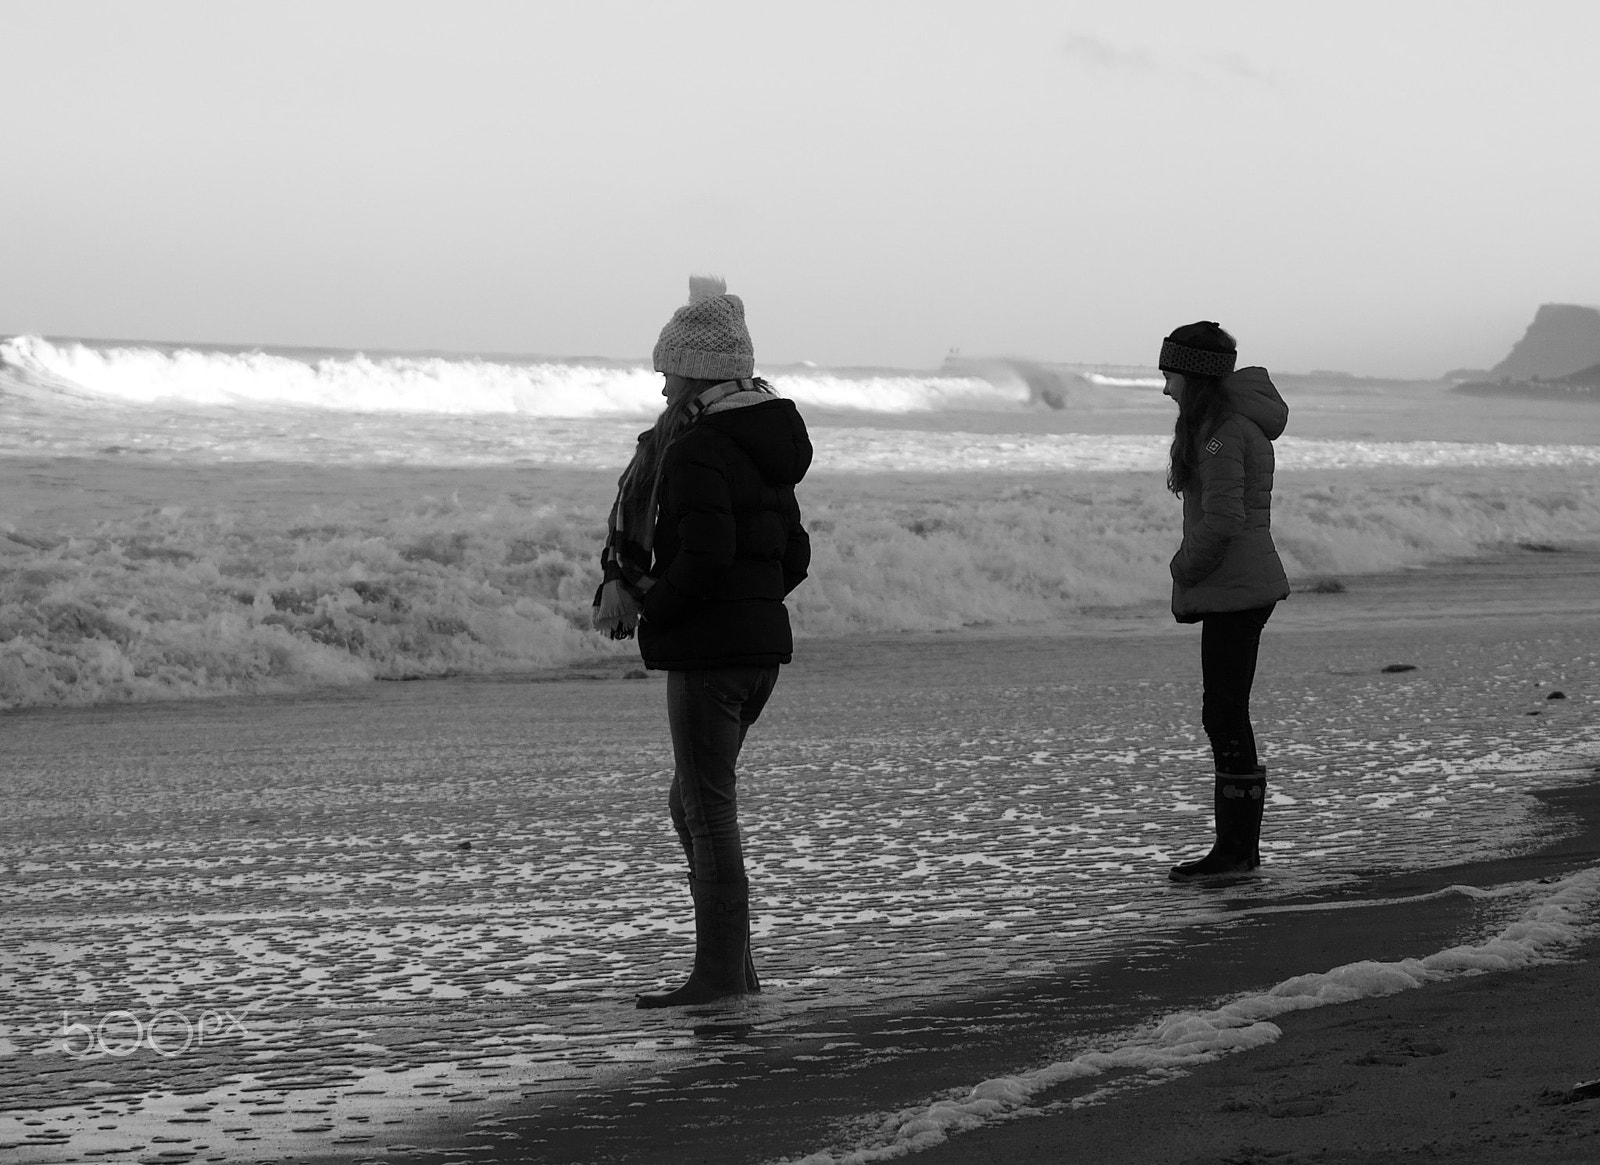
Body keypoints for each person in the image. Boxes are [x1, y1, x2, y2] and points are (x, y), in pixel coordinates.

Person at [593, 275, 812, 1007]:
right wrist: (751, 604)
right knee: (691, 802)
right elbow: (795, 557)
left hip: (714, 654)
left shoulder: (694, 451)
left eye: (667, 371)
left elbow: (707, 555)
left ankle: (720, 975)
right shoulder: (763, 441)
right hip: (756, 653)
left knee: (707, 807)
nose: (660, 388)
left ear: (696, 371)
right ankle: (735, 966)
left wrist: (658, 606)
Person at [1159, 321, 1289, 882]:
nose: (1166, 389)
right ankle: (1238, 849)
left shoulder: (1222, 434)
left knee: (1224, 713)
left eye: (1171, 376)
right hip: (1242, 587)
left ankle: (1236, 852)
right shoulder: (1225, 429)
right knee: (1226, 711)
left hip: (1239, 589)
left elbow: (1224, 521)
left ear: (1196, 376)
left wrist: (1182, 569)